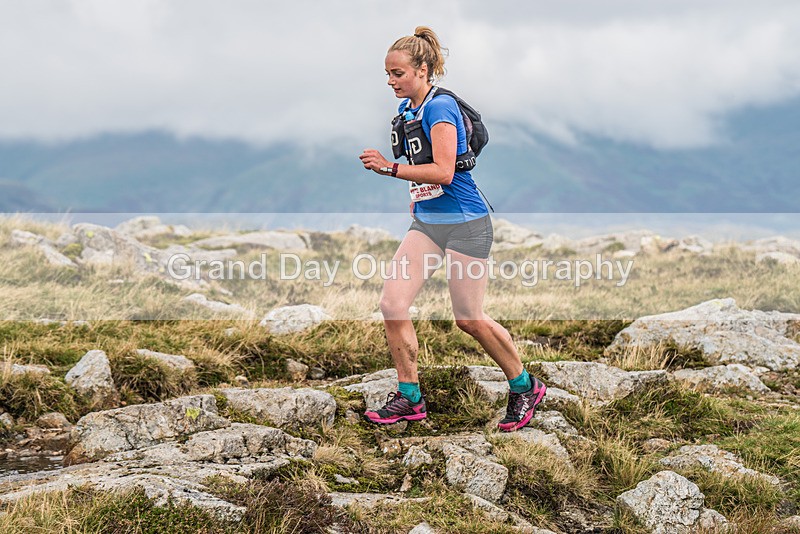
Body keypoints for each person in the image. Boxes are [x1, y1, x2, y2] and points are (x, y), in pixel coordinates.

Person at [358, 26, 546, 432]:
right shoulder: (408, 110)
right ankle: (409, 397)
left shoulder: (440, 108)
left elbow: (444, 171)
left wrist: (388, 168)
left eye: (397, 73)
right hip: (428, 224)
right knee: (392, 305)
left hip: (466, 224)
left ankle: (525, 386)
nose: (390, 81)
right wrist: (415, 195)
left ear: (422, 70)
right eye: (387, 74)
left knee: (469, 318)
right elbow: (422, 169)